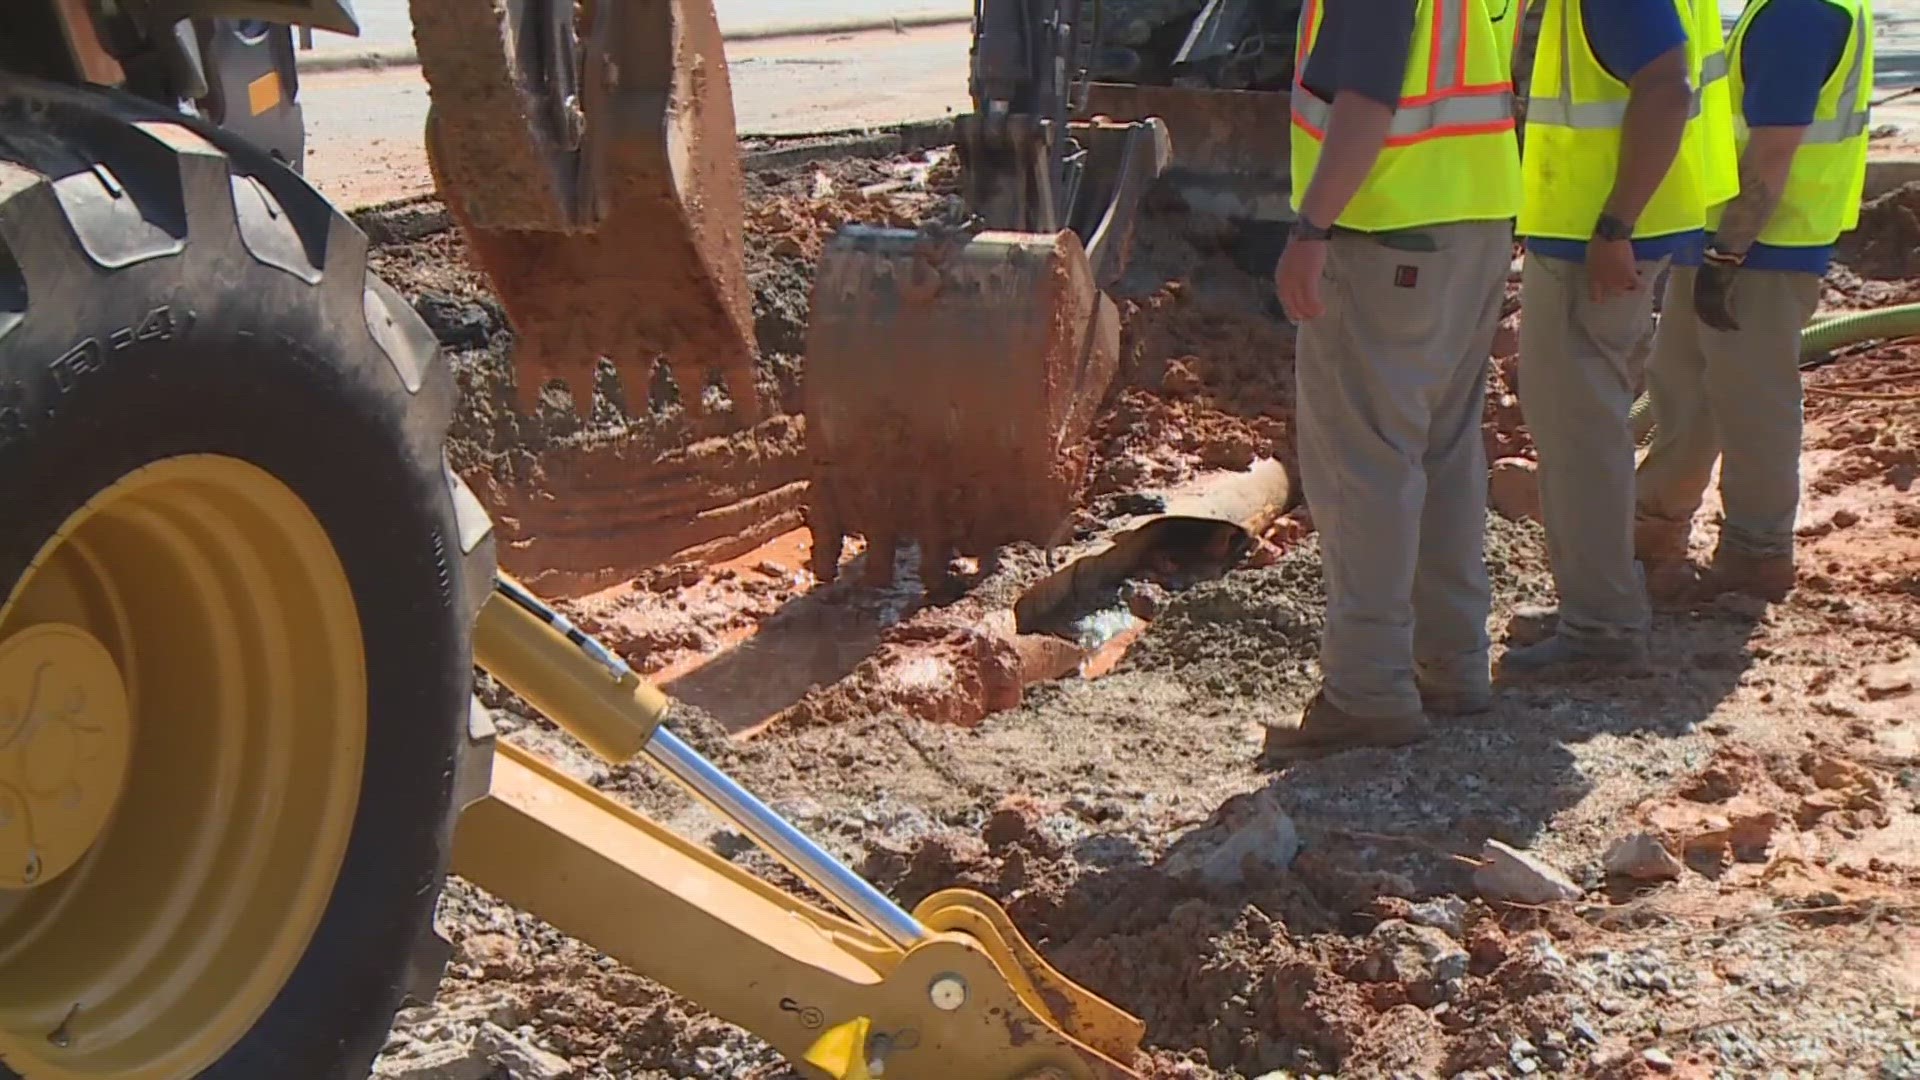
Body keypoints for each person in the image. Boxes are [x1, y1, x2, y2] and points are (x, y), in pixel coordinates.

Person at [1262, 0, 1521, 757]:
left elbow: (1368, 100)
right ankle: (1452, 663)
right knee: (1443, 451)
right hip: (1475, 218)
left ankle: (1368, 690)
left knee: (1365, 460)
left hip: (1388, 230)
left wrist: (1312, 229)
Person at [1494, 0, 1737, 682]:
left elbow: (1666, 88)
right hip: (1596, 232)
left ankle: (1600, 626)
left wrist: (1614, 225)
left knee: (1580, 427)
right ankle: (1595, 603)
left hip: (1595, 242)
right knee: (1578, 420)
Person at [1634, 0, 1873, 601]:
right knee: (1684, 384)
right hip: (1736, 238)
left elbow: (1773, 149)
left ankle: (1755, 552)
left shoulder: (1798, 13)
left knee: (1751, 403)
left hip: (1763, 246)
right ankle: (1650, 529)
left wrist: (1727, 255)